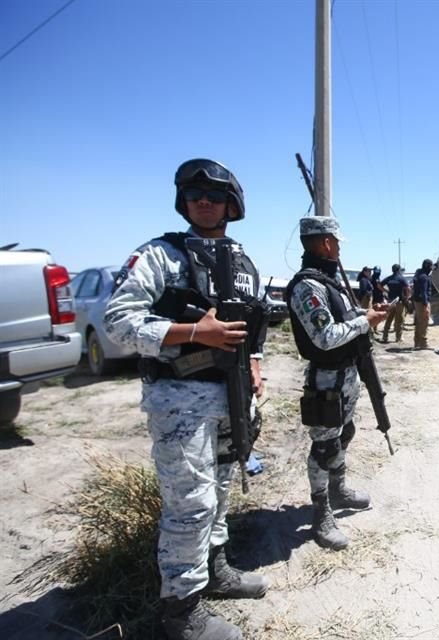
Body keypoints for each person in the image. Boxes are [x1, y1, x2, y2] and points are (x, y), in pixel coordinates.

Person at [104, 158, 269, 640]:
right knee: (190, 505)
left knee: (217, 494)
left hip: (230, 397)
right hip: (180, 400)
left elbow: (251, 327)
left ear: (231, 205)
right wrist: (195, 331)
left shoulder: (243, 262)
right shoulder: (159, 256)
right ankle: (181, 612)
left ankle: (215, 570)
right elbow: (118, 322)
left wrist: (255, 364)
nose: (204, 201)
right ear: (182, 201)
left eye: (214, 196)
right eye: (194, 194)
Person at [284, 217, 388, 551]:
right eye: (337, 242)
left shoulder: (330, 282)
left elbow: (343, 320)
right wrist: (364, 322)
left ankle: (338, 488)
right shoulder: (308, 286)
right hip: (326, 378)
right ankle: (321, 512)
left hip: (346, 375)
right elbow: (325, 336)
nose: (340, 248)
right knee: (324, 447)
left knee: (345, 433)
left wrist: (365, 316)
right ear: (326, 243)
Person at [380, 263, 410, 343]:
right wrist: (407, 297)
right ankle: (398, 337)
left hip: (390, 301)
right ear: (399, 270)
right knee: (399, 320)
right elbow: (408, 288)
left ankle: (385, 337)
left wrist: (386, 291)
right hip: (399, 301)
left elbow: (379, 285)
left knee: (389, 319)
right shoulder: (401, 279)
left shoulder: (389, 278)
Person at [412, 259, 434, 350]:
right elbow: (424, 291)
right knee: (424, 322)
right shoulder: (424, 277)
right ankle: (423, 343)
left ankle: (417, 342)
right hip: (422, 302)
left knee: (419, 322)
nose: (432, 268)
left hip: (417, 301)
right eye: (431, 266)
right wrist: (425, 305)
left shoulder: (419, 274)